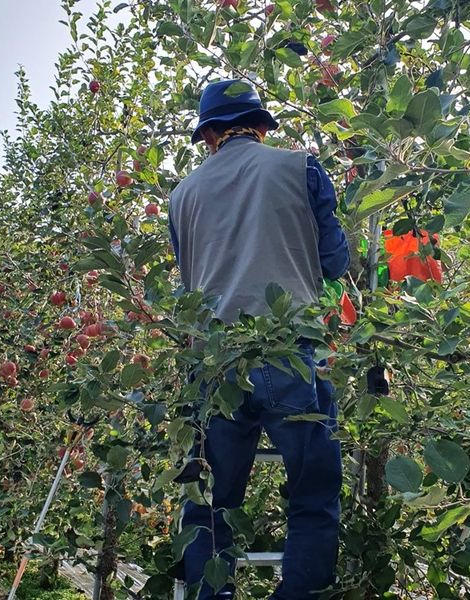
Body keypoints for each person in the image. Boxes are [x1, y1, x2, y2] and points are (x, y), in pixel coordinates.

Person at [168, 79, 350, 600]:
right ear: (263, 127)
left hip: (215, 362)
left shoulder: (181, 196)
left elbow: (189, 283)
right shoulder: (300, 167)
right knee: (313, 493)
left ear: (208, 136)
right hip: (288, 347)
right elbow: (336, 260)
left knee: (208, 504)